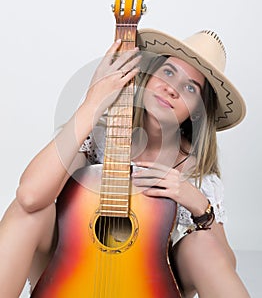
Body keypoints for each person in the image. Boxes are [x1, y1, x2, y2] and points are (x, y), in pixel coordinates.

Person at [0, 28, 250, 298]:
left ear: (197, 112)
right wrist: (93, 101)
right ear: (148, 77)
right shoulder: (99, 139)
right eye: (167, 72)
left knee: (204, 244)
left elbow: (224, 268)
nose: (172, 89)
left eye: (190, 88)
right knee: (31, 212)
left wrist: (200, 205)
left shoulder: (196, 175)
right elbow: (29, 196)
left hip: (144, 289)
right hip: (71, 281)